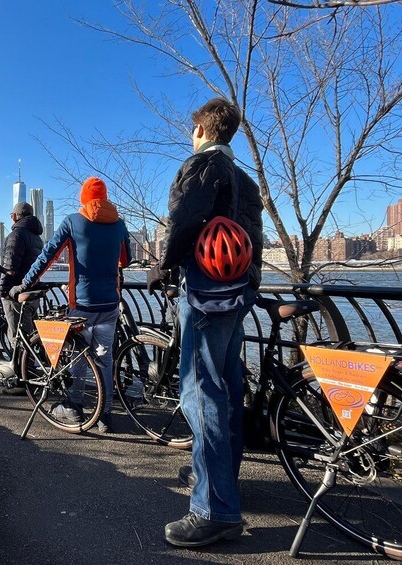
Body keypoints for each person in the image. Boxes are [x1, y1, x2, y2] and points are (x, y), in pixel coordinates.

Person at [147, 98, 263, 548]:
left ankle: (214, 509)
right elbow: (251, 239)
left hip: (207, 295)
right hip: (240, 294)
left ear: (202, 130)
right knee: (228, 388)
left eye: (193, 128)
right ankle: (222, 482)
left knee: (201, 392)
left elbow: (183, 224)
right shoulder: (246, 180)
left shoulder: (201, 167)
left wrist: (161, 266)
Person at [10, 176, 131, 433]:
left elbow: (47, 256)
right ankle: (105, 417)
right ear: (105, 196)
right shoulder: (119, 223)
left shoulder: (73, 222)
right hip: (110, 303)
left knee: (77, 358)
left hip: (82, 304)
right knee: (104, 358)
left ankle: (75, 406)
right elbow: (126, 259)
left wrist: (26, 282)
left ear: (84, 197)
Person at [0, 201, 43, 360]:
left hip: (16, 292)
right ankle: (30, 370)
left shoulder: (16, 235)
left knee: (17, 337)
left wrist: (3, 291)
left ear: (15, 216)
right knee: (29, 335)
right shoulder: (37, 237)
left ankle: (22, 377)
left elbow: (10, 267)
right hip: (32, 291)